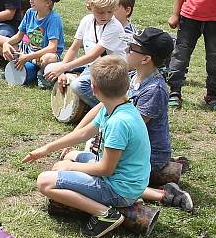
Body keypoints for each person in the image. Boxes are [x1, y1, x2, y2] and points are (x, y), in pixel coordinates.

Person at [23, 56, 151, 237]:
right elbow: (83, 133)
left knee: (44, 181)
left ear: (94, 88)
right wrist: (46, 149)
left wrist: (70, 167)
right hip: (124, 180)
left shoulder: (118, 123)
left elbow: (106, 169)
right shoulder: (116, 106)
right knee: (68, 157)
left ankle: (105, 214)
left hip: (119, 189)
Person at [74, 27, 193, 212]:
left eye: (131, 48)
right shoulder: (131, 77)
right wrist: (76, 133)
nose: (126, 50)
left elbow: (130, 131)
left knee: (101, 172)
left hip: (146, 154)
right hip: (127, 149)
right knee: (78, 156)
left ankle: (164, 195)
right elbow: (101, 108)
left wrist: (97, 143)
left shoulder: (154, 89)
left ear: (146, 59)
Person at [45, 0, 127, 108]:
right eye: (100, 11)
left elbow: (93, 55)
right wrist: (62, 72)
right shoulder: (87, 21)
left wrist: (63, 68)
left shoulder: (114, 27)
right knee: (50, 68)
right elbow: (74, 48)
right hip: (92, 68)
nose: (105, 16)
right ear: (89, 6)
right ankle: (83, 88)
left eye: (110, 12)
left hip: (110, 72)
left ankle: (108, 108)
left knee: (78, 85)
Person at [0, 0, 65, 88]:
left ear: (48, 3)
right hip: (27, 51)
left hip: (41, 57)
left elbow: (52, 47)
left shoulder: (53, 19)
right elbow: (19, 36)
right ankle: (13, 67)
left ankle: (41, 73)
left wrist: (27, 57)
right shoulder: (30, 13)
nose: (30, 0)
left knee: (49, 58)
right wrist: (7, 43)